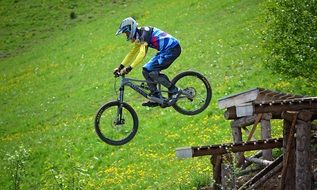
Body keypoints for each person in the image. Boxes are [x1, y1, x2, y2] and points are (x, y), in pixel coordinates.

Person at [114, 17, 182, 107]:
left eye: (126, 33)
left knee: (152, 72)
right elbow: (132, 53)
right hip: (165, 50)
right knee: (146, 70)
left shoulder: (143, 34)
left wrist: (130, 68)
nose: (127, 36)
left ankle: (175, 90)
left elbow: (142, 54)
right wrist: (120, 67)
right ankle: (156, 97)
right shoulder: (139, 35)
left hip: (172, 48)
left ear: (131, 29)